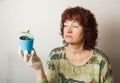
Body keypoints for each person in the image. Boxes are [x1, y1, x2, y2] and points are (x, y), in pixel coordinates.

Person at [18, 6, 114, 83]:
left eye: (75, 26)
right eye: (65, 25)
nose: (68, 30)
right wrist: (39, 69)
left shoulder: (101, 60)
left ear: (87, 31)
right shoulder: (55, 56)